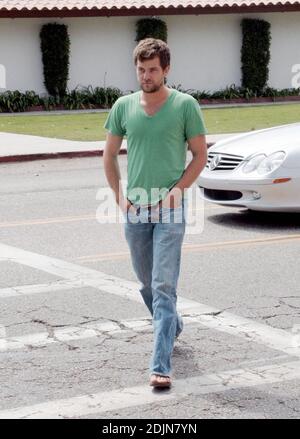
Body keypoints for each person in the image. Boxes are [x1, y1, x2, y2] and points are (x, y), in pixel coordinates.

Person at [103, 38, 207, 388]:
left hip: (171, 209)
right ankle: (172, 324)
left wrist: (177, 193)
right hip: (135, 208)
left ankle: (160, 365)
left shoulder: (185, 106)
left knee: (164, 285)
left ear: (166, 69)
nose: (145, 76)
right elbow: (109, 155)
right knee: (146, 282)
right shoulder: (123, 106)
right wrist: (121, 200)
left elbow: (200, 155)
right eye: (141, 69)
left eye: (152, 70)